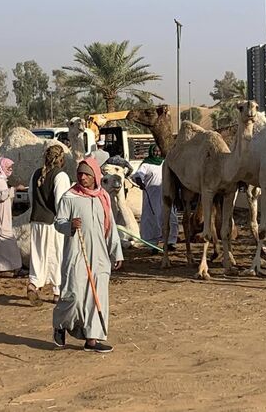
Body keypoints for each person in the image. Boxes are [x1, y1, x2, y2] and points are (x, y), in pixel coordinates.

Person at [53, 157, 123, 352]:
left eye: (87, 174)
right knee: (73, 295)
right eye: (80, 174)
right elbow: (58, 223)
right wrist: (70, 226)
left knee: (98, 296)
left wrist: (116, 252)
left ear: (95, 176)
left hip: (100, 255)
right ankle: (60, 324)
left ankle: (92, 339)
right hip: (77, 253)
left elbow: (111, 227)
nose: (83, 177)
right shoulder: (69, 197)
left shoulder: (103, 197)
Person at [27, 145, 71, 306]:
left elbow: (31, 197)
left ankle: (33, 284)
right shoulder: (61, 176)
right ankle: (57, 292)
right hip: (53, 222)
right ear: (61, 159)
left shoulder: (35, 174)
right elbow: (61, 202)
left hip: (36, 220)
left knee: (38, 255)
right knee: (56, 255)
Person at [130, 144, 178, 250]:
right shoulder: (146, 164)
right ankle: (152, 245)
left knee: (171, 217)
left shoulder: (165, 163)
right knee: (151, 218)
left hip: (166, 194)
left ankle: (170, 242)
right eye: (155, 151)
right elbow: (139, 175)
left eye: (159, 151)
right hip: (151, 196)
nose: (157, 153)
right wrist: (139, 181)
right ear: (151, 152)